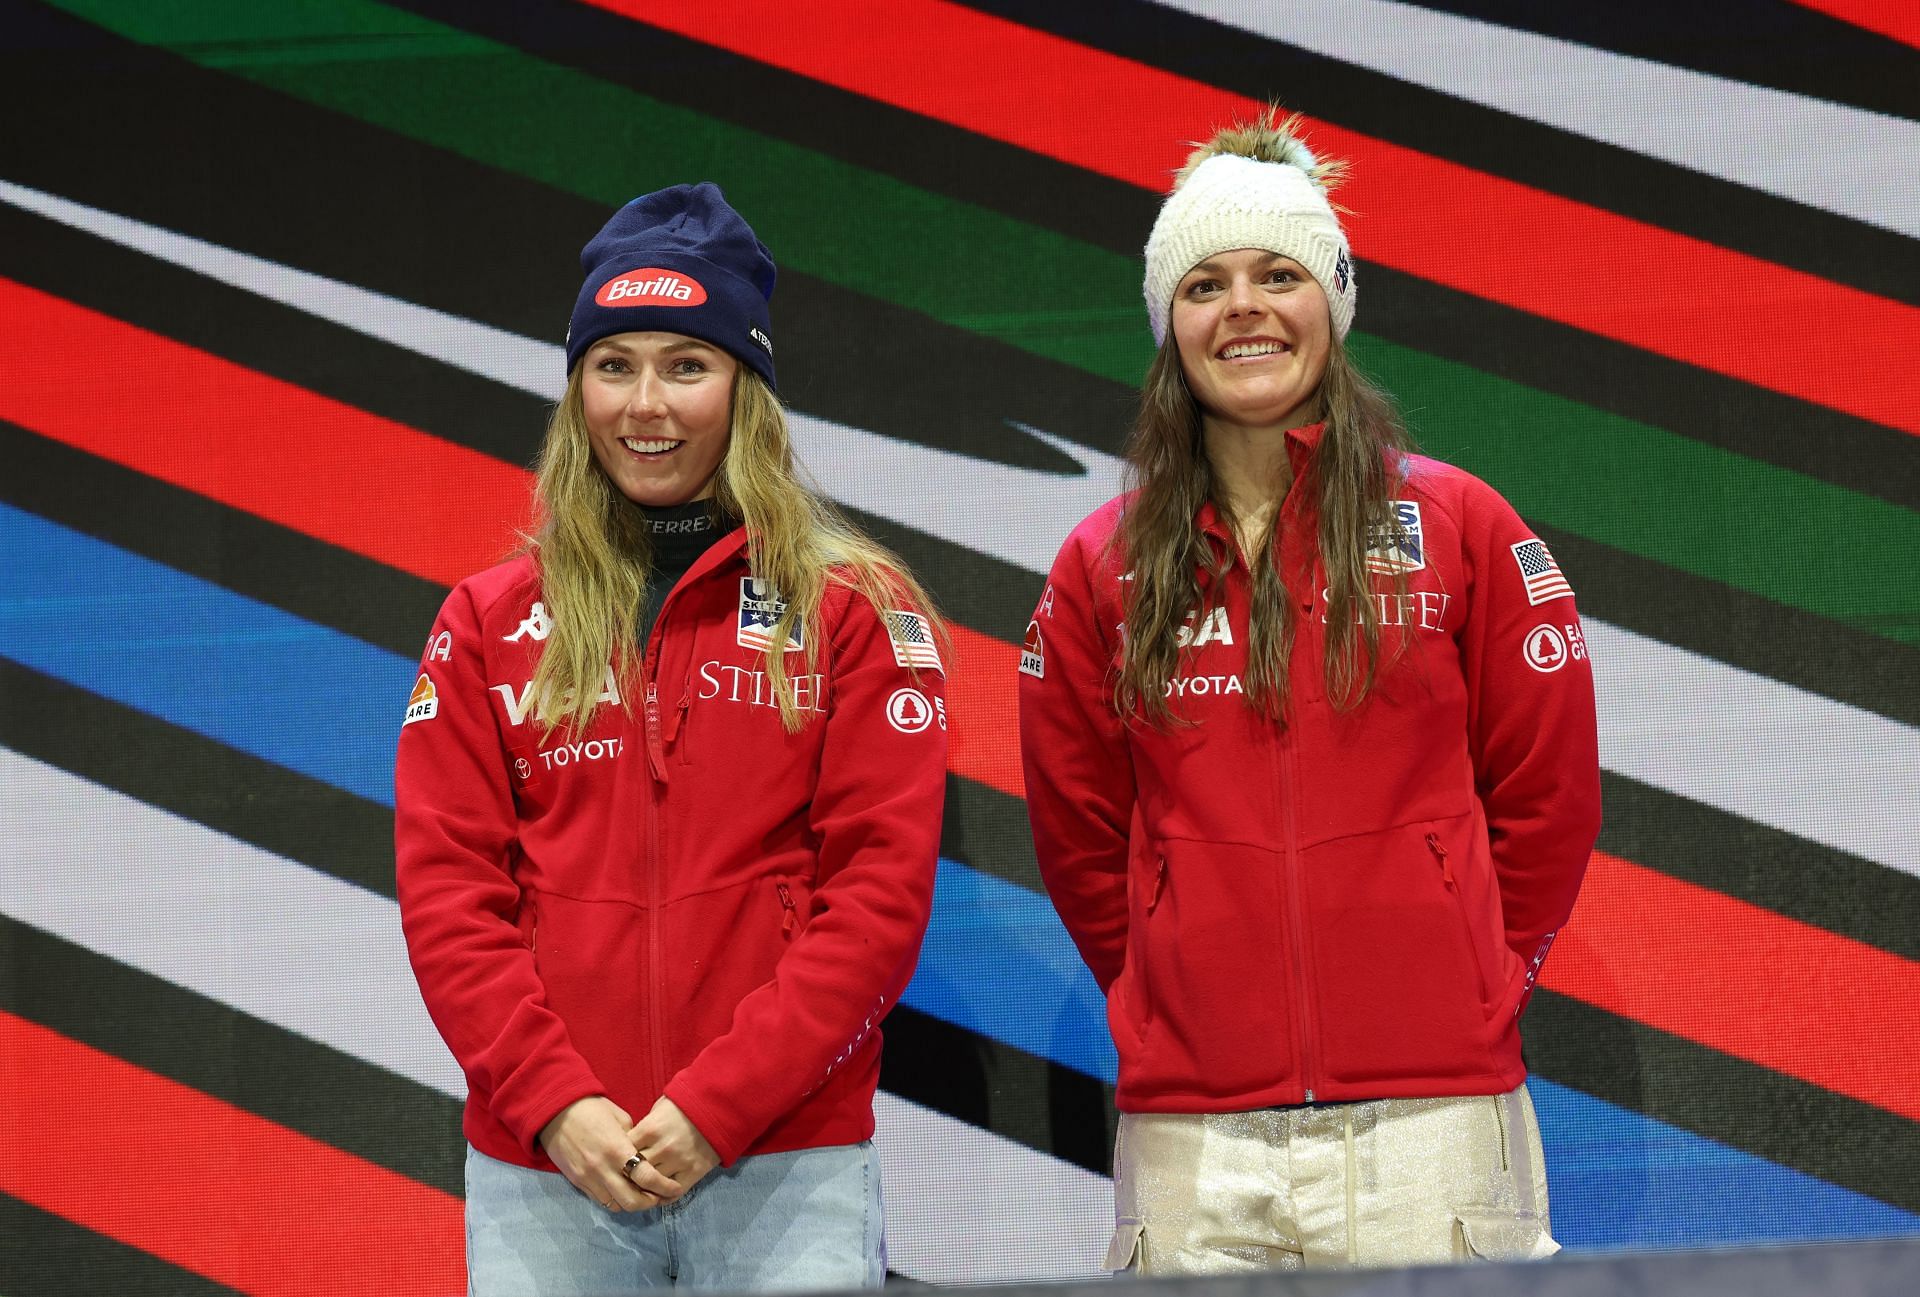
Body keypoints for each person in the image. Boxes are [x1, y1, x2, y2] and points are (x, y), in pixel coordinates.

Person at [1018, 112, 1601, 1273]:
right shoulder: (1102, 563)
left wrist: (1477, 978)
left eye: (1279, 275)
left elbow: (1549, 797)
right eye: (1206, 283)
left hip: (1435, 1118)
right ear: (1167, 323)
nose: (1244, 308)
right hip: (1192, 1133)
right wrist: (1163, 988)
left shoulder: (1459, 528)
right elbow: (1079, 830)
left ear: (1330, 301)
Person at [395, 184, 948, 1293]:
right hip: (550, 1171)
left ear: (748, 390)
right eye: (615, 364)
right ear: (576, 387)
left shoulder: (853, 609)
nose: (646, 405)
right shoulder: (488, 621)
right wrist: (554, 1102)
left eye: (687, 366)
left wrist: (719, 1104)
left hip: (786, 1163)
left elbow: (878, 897)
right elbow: (450, 896)